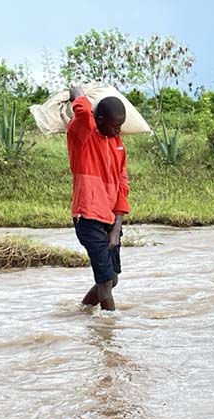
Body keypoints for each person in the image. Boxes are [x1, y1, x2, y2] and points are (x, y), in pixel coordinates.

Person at [66, 85, 130, 311]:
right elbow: (83, 113)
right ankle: (110, 330)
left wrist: (116, 228)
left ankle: (82, 310)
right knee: (104, 281)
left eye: (121, 126)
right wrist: (79, 95)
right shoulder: (82, 137)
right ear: (99, 120)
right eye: (115, 126)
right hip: (88, 217)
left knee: (112, 279)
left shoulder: (118, 145)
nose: (118, 131)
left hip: (111, 218)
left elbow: (122, 186)